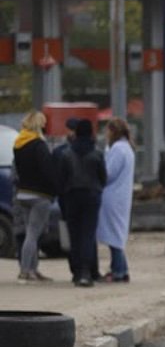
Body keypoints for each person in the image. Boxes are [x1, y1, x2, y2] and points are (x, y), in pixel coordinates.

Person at [57, 118, 107, 287]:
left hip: (71, 197)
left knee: (74, 234)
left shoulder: (66, 154)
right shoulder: (97, 153)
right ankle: (87, 271)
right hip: (92, 197)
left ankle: (77, 272)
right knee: (88, 234)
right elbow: (103, 178)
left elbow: (61, 180)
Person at [12, 110, 57, 283]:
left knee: (30, 233)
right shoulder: (39, 145)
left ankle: (32, 270)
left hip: (23, 193)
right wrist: (55, 189)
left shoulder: (18, 144)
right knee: (33, 234)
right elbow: (47, 171)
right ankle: (25, 271)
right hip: (40, 194)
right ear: (39, 125)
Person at [97, 117, 135, 282]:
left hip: (112, 197)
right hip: (121, 197)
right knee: (117, 234)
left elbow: (108, 173)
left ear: (112, 131)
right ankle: (122, 269)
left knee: (114, 236)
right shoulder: (127, 148)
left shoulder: (118, 149)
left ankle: (118, 270)